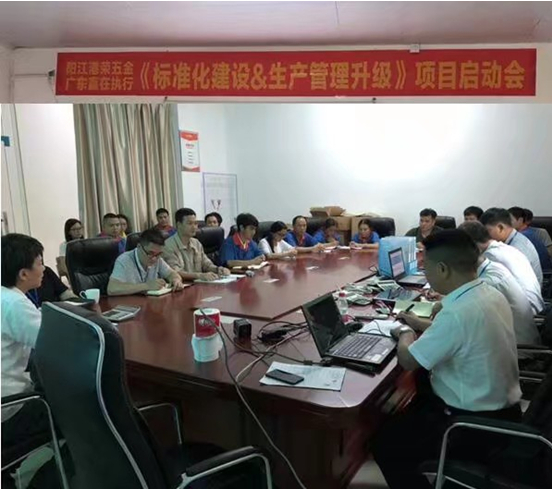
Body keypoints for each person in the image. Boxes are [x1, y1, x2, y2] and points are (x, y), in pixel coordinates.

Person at [373, 230, 521, 489]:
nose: (424, 271)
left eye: (425, 266)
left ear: (442, 269)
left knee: (385, 445)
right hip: (505, 413)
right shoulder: (488, 294)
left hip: (469, 426)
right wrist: (417, 322)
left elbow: (408, 360)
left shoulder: (457, 313)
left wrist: (405, 332)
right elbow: (460, 333)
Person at [1, 234, 51, 454]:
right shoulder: (15, 303)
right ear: (23, 274)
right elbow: (55, 345)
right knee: (77, 406)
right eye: (40, 263)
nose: (44, 268)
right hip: (9, 409)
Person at [107, 228, 185, 296]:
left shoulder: (158, 259)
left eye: (158, 254)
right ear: (139, 247)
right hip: (129, 305)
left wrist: (176, 280)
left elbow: (171, 273)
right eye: (150, 253)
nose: (154, 259)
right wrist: (146, 286)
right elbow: (112, 289)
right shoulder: (124, 260)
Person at [163, 208, 230, 281]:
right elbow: (175, 272)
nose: (194, 227)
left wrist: (218, 269)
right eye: (190, 223)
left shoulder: (196, 243)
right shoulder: (168, 245)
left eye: (195, 223)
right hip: (182, 285)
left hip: (199, 284)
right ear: (179, 225)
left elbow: (206, 264)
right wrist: (199, 275)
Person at [481, 207, 543, 284]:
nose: (485, 235)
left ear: (500, 228)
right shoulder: (513, 239)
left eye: (487, 231)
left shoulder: (517, 248)